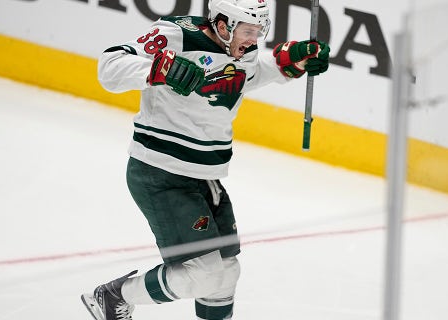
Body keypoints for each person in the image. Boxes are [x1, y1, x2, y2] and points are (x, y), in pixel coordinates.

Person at [80, 0, 330, 319]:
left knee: (226, 271)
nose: (255, 38)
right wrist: (159, 70)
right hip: (161, 172)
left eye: (259, 30)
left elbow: (244, 77)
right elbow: (110, 68)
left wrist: (288, 62)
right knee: (204, 275)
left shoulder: (243, 48)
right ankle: (113, 297)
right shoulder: (176, 34)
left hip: (204, 175)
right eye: (249, 30)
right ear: (223, 25)